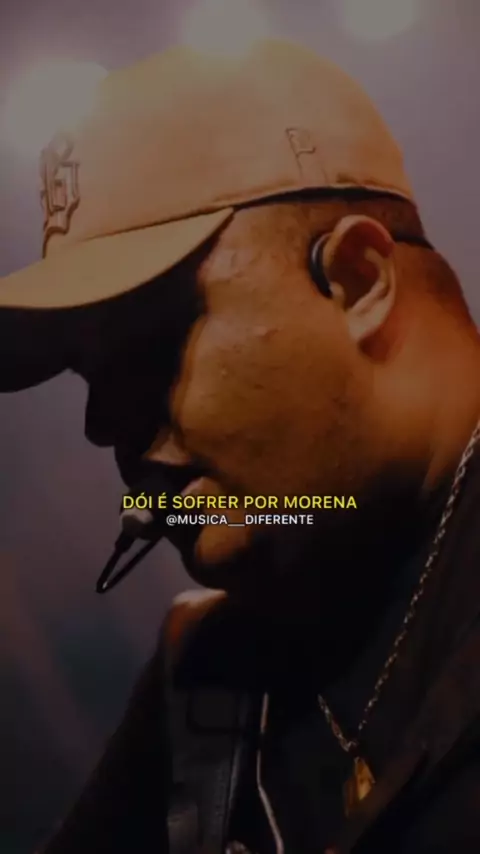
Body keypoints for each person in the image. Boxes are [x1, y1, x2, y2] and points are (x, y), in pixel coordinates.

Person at [1, 38, 480, 854]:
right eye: (89, 373)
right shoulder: (207, 680)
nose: (102, 423)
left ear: (359, 281)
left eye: (146, 345)